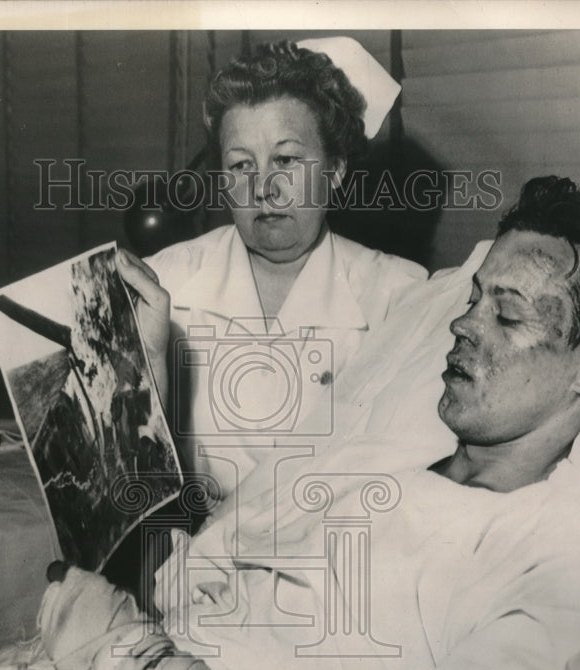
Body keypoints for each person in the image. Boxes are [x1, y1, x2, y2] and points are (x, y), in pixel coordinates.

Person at [39, 175, 580, 670]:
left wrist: (131, 664)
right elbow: (175, 593)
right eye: (472, 298)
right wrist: (139, 387)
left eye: (508, 314)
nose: (464, 325)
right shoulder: (387, 469)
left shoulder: (562, 561)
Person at [117, 38, 410, 506]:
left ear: (334, 169)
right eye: (240, 165)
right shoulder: (164, 280)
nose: (263, 189)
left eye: (287, 160)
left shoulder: (399, 296)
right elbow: (126, 488)